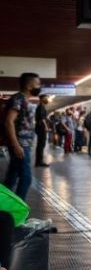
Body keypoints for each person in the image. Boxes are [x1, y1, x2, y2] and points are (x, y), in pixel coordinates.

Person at [3, 72, 41, 200]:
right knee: (26, 178)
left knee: (11, 179)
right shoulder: (18, 99)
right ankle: (18, 213)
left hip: (24, 144)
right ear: (29, 86)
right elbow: (9, 121)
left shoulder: (24, 100)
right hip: (20, 144)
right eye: (37, 84)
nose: (39, 86)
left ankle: (4, 208)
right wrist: (16, 145)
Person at [34, 94, 51, 167]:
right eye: (46, 98)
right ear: (42, 99)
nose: (47, 99)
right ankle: (39, 162)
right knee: (41, 145)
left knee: (41, 145)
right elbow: (42, 118)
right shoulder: (41, 107)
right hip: (41, 128)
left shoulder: (42, 106)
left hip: (40, 128)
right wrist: (46, 126)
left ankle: (39, 161)